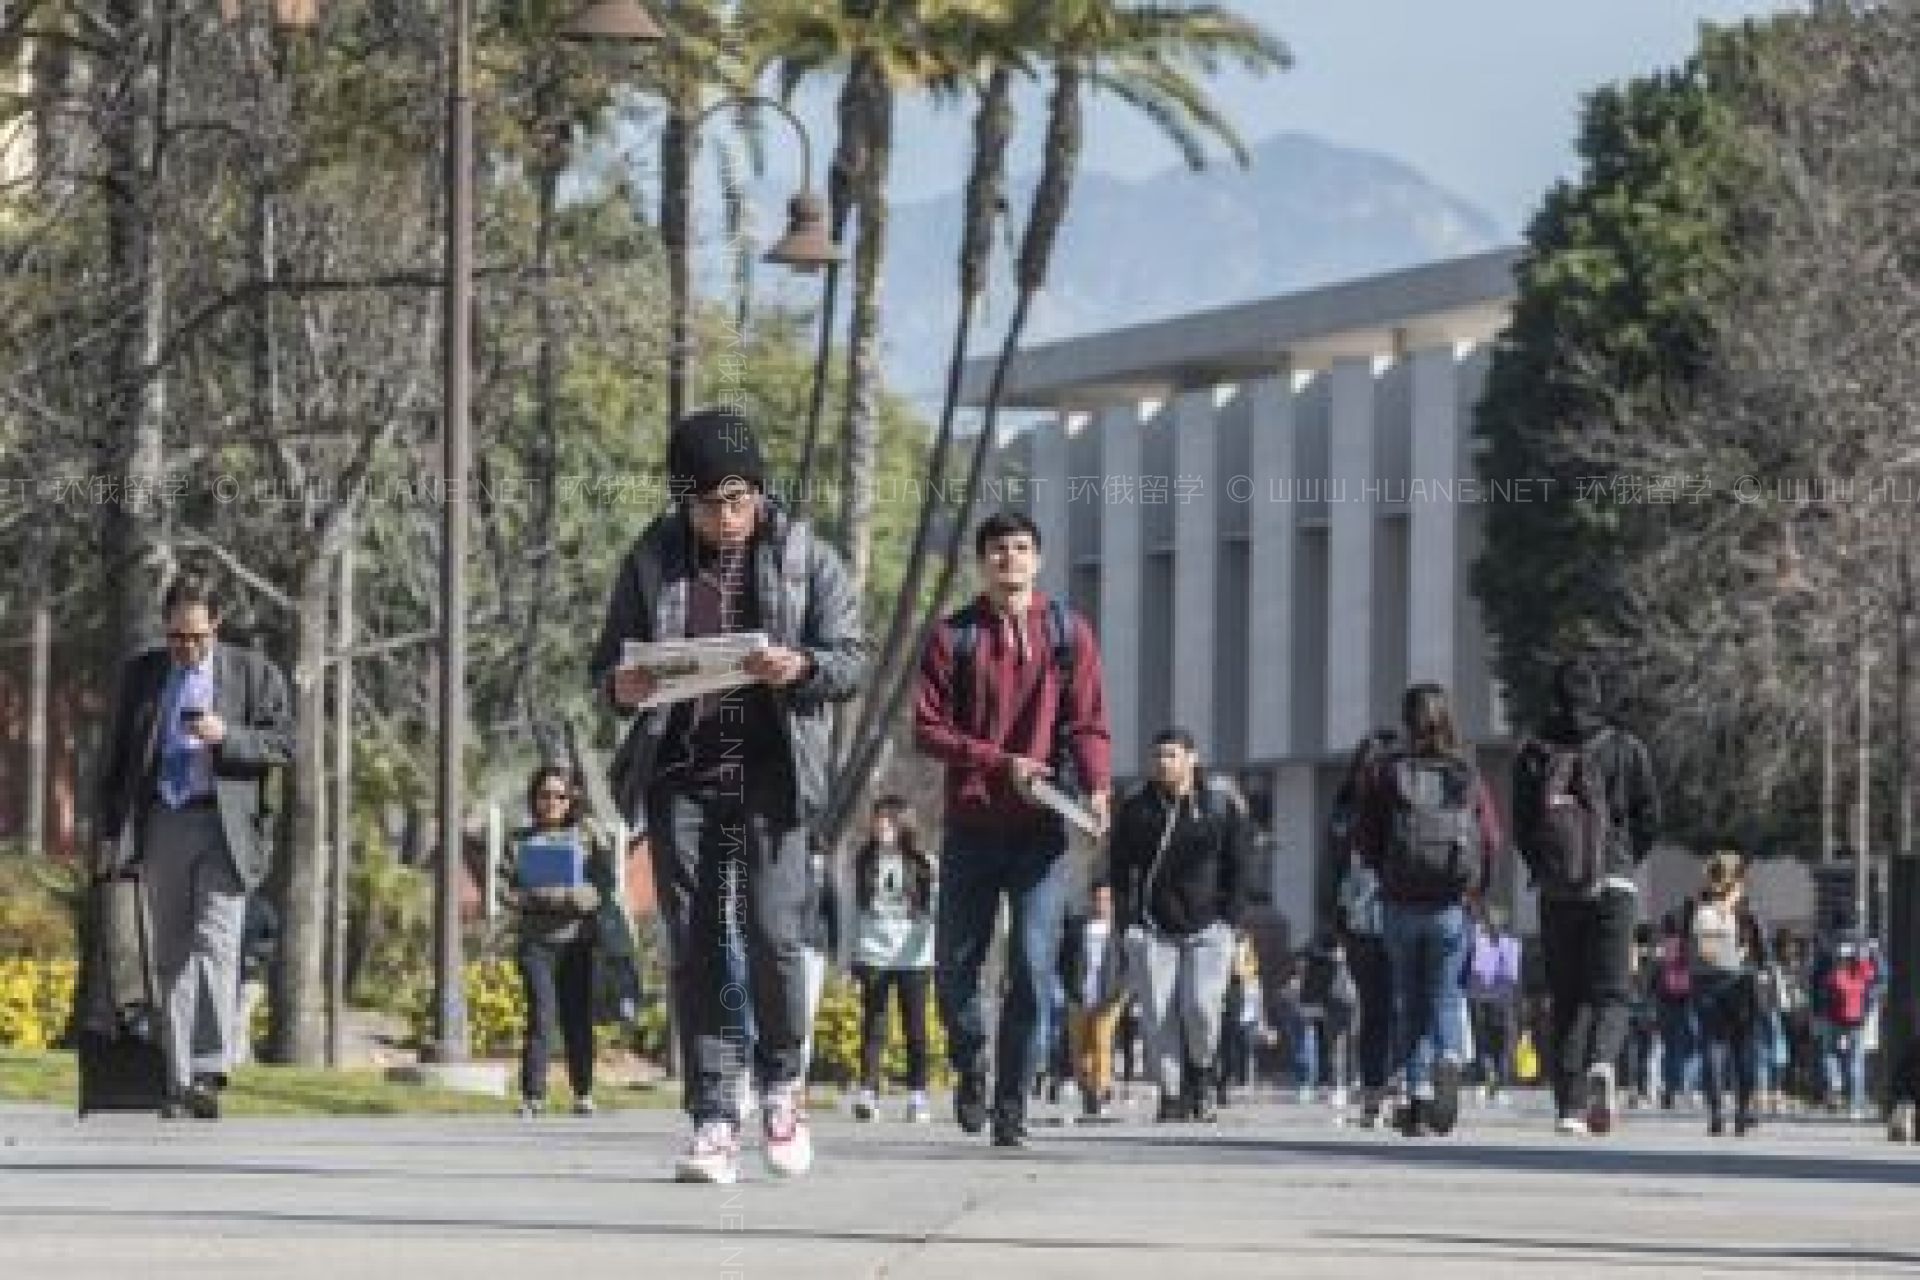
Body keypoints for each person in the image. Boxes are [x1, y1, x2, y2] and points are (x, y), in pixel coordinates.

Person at [591, 407, 864, 1184]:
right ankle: (714, 1113)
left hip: (774, 776)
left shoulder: (806, 554)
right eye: (708, 503)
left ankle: (783, 1085)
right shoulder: (651, 557)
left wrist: (803, 667)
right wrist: (624, 684)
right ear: (683, 500)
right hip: (681, 773)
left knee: (775, 937)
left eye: (739, 499)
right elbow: (607, 666)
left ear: (760, 492)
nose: (726, 517)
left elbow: (851, 659)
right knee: (698, 943)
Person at [913, 510, 1111, 1149]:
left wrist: (1098, 785)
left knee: (1031, 966)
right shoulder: (954, 637)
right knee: (954, 972)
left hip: (1041, 832)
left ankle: (1011, 1105)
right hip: (971, 827)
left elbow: (1087, 722)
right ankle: (971, 1060)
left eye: (1023, 548)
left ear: (1040, 559)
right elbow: (927, 729)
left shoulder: (1066, 632)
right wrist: (1001, 762)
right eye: (999, 550)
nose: (1011, 560)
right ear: (982, 562)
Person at [96, 570, 295, 1120]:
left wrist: (226, 737)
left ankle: (209, 1069)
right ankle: (177, 1079)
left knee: (218, 941)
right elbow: (116, 759)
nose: (185, 647)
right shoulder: (143, 675)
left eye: (196, 637)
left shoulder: (253, 675)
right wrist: (111, 834)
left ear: (217, 626)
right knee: (170, 952)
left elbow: (284, 743)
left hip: (224, 825)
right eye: (176, 637)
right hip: (162, 819)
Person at [1512, 658, 1659, 1137]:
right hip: (1613, 884)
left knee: (1568, 996)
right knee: (1612, 992)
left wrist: (1545, 866)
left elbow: (1523, 826)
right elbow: (1649, 815)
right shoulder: (1624, 747)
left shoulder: (1534, 752)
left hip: (1558, 890)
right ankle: (1603, 1062)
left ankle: (1570, 1107)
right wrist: (1624, 859)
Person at [1354, 682, 1503, 1139]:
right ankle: (1450, 1059)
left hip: (1400, 902)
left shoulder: (1386, 773)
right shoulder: (1466, 774)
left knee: (1408, 998)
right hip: (1450, 905)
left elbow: (1366, 837)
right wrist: (1477, 888)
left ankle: (1417, 1091)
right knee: (1445, 995)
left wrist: (1386, 872)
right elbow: (1491, 839)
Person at [1108, 728, 1256, 1124]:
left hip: (1210, 928)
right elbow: (1120, 869)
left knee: (1201, 1007)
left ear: (1193, 758)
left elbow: (1240, 868)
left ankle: (1203, 1076)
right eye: (1157, 755)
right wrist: (1128, 923)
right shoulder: (1137, 810)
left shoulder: (1219, 808)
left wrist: (1233, 922)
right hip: (1155, 929)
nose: (1163, 763)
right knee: (1157, 1016)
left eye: (1172, 755)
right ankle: (1172, 1094)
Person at [502, 764, 616, 1118]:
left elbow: (604, 883)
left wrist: (578, 897)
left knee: (577, 1018)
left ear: (571, 800)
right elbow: (505, 888)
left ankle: (582, 1092)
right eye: (544, 795)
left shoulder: (587, 836)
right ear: (534, 799)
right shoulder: (519, 841)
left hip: (577, 941)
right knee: (541, 1016)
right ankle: (532, 1096)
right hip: (536, 943)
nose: (551, 801)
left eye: (559, 795)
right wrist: (538, 897)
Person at [848, 796, 936, 1124]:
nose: (881, 826)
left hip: (914, 956)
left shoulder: (925, 862)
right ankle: (868, 1093)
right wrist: (850, 956)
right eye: (877, 820)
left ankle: (917, 1094)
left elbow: (937, 909)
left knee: (915, 1029)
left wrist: (934, 947)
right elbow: (851, 911)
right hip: (874, 952)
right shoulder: (863, 861)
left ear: (903, 824)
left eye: (888, 820)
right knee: (873, 1025)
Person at [1332, 731, 1397, 1127]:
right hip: (1382, 917)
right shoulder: (1397, 804)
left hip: (1365, 920)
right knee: (1387, 1008)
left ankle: (1378, 1091)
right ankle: (1388, 1087)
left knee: (1378, 1010)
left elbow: (1330, 870)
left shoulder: (1347, 810)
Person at [1683, 851, 1770, 1137]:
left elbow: (1687, 945)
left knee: (1711, 1045)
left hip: (1705, 983)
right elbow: (1763, 951)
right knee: (1744, 1047)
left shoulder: (1695, 905)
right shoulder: (1745, 908)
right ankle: (1743, 1113)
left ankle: (1716, 1113)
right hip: (1740, 982)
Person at [1466, 905, 1522, 1104]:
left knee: (1504, 1044)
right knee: (1481, 1042)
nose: (1492, 925)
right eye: (1489, 921)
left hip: (1502, 999)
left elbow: (1511, 974)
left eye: (1495, 922)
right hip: (1479, 998)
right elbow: (1475, 969)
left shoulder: (1510, 944)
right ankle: (1482, 1081)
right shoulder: (1476, 942)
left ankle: (1501, 1085)